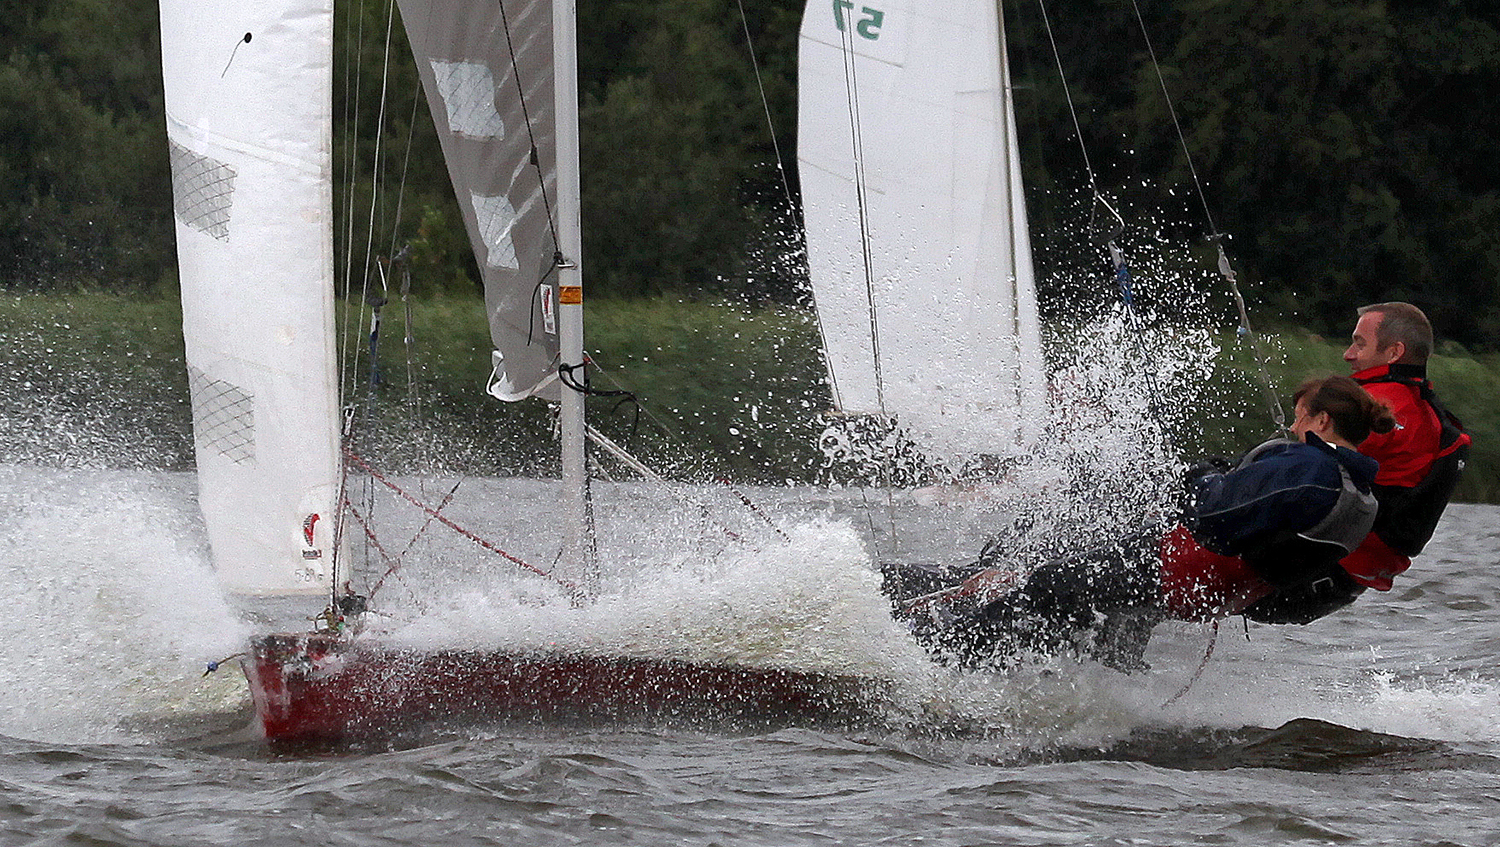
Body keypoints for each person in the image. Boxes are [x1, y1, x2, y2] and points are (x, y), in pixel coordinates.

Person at [898, 376, 1396, 671]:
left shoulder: (1310, 469)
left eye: (1300, 417)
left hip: (1174, 567)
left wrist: (1200, 474)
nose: (1292, 426)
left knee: (1045, 588)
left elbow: (1213, 515)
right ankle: (1092, 688)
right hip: (1208, 596)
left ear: (1322, 421)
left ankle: (938, 663)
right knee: (1100, 615)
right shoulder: (1361, 498)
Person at [1242, 302, 1471, 624]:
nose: (1348, 354)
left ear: (1394, 352)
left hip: (1304, 571)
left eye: (1359, 344)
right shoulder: (1428, 413)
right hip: (1339, 582)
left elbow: (1297, 468)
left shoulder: (1379, 407)